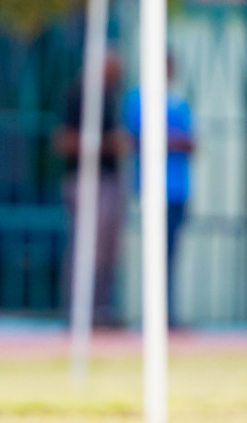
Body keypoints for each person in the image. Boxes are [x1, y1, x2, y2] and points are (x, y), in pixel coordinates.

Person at [54, 52, 127, 328]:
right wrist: (110, 144)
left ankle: (101, 310)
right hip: (87, 180)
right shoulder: (80, 95)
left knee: (109, 251)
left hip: (109, 179)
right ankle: (79, 311)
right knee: (87, 248)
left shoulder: (110, 97)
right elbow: (64, 140)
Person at [121, 52, 194, 327]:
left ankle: (168, 314)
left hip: (178, 190)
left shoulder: (178, 102)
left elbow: (191, 143)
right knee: (155, 252)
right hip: (152, 189)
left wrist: (167, 140)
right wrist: (170, 140)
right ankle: (153, 314)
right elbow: (139, 138)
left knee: (171, 254)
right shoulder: (138, 99)